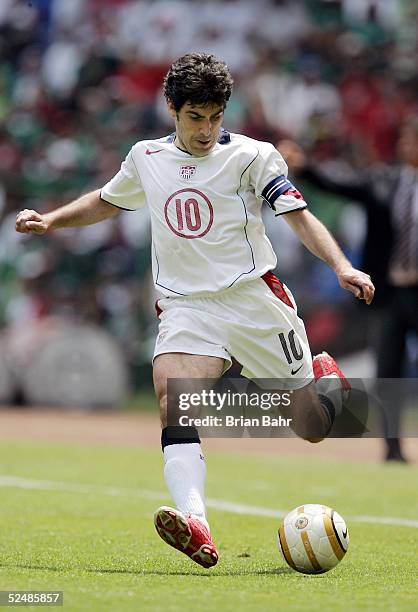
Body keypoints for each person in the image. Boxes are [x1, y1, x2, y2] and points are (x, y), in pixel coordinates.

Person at [15, 53, 374, 569]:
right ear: (172, 109)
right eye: (195, 118)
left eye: (215, 117)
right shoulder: (146, 157)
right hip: (187, 307)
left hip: (254, 302)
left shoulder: (253, 157)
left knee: (312, 427)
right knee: (173, 398)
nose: (206, 130)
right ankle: (196, 521)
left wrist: (342, 266)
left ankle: (325, 380)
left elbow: (299, 217)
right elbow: (108, 200)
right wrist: (50, 221)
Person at [279, 119, 418, 463]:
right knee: (388, 370)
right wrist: (305, 167)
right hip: (391, 291)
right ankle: (393, 448)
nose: (408, 146)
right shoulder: (386, 181)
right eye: (407, 139)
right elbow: (341, 184)